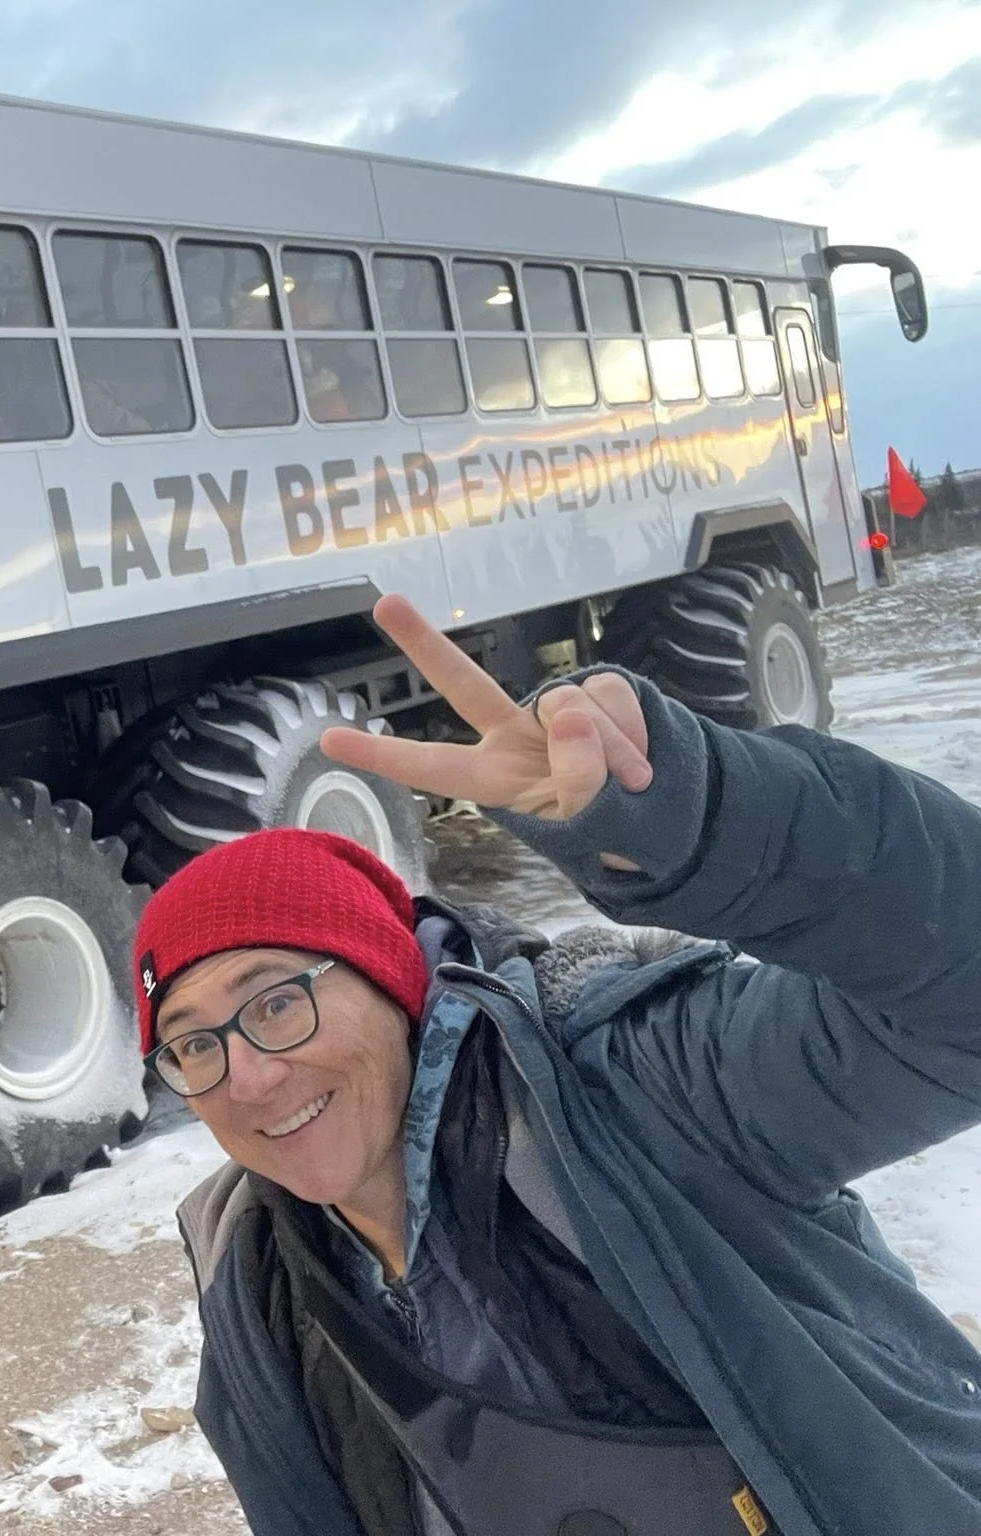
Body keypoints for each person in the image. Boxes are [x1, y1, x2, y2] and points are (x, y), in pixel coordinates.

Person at [143, 595, 981, 1536]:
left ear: (393, 981)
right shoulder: (255, 1282)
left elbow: (959, 1002)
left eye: (276, 1003)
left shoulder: (641, 1090)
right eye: (193, 1043)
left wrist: (700, 822)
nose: (249, 1077)